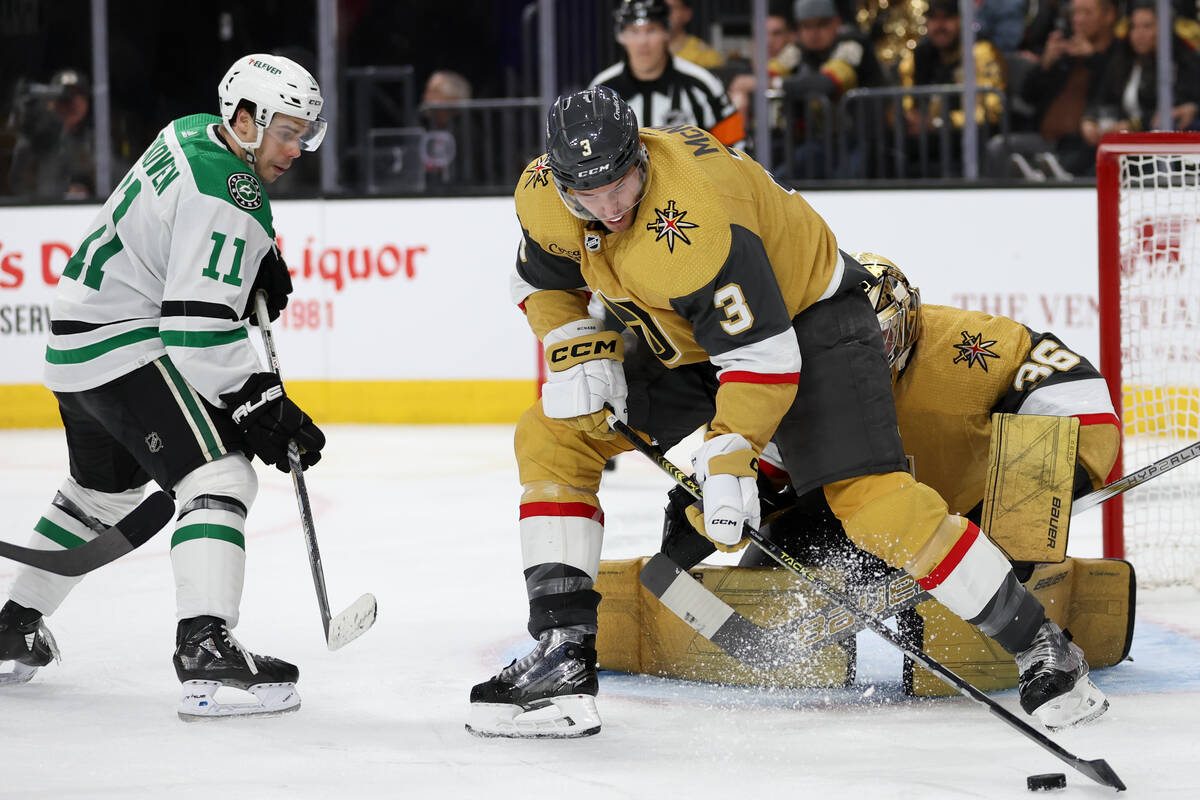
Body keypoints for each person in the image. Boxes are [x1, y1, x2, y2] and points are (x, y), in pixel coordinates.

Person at [466, 85, 1107, 739]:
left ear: (642, 160)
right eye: (588, 194)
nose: (609, 207)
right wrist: (577, 347)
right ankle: (562, 663)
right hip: (690, 333)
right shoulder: (544, 196)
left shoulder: (693, 220)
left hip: (810, 322)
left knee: (873, 504)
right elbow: (541, 278)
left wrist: (729, 450)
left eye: (623, 184)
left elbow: (764, 361)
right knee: (551, 436)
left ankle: (1043, 649)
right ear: (556, 178)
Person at [0, 53, 327, 719]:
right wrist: (257, 398)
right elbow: (194, 332)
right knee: (221, 478)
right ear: (245, 119)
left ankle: (11, 627)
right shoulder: (233, 191)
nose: (296, 149)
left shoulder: (189, 131)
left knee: (101, 493)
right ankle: (206, 650)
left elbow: (179, 251)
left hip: (75, 344)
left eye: (304, 134)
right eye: (287, 131)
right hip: (124, 345)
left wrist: (255, 262)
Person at [592, 0, 746, 148]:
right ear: (621, 37)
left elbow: (736, 150)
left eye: (651, 30)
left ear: (667, 33)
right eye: (634, 31)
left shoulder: (703, 84)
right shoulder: (601, 90)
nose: (643, 41)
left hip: (691, 175)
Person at [1083, 0, 1200, 141]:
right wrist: (1090, 119)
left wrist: (1134, 125)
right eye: (1134, 27)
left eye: (1147, 26)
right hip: (1119, 140)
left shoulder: (1182, 63)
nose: (1139, 33)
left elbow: (1174, 107)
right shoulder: (1123, 60)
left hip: (1159, 144)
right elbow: (1101, 98)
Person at [7, 69, 95, 199]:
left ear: (87, 103)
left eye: (79, 94)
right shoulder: (36, 139)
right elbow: (19, 181)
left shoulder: (97, 140)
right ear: (50, 100)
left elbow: (114, 176)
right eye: (65, 96)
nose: (72, 101)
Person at [665, 0, 725, 68]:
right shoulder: (651, 51)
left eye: (672, 8)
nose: (666, 13)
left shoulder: (705, 56)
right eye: (663, 7)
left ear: (687, 14)